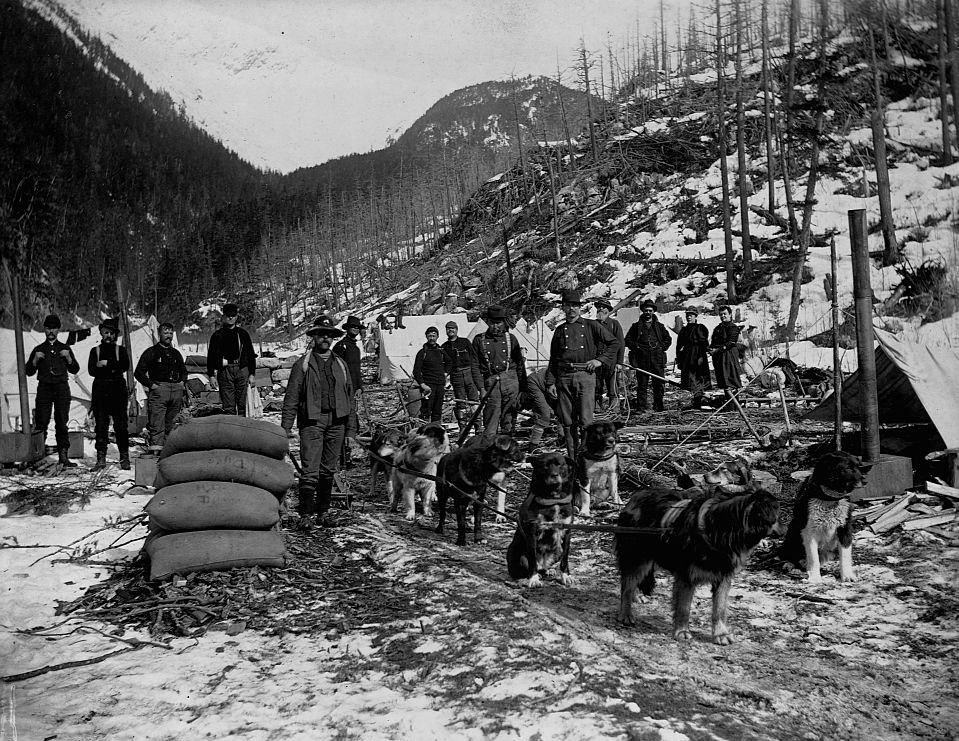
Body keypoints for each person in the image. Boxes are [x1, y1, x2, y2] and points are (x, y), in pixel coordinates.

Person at [281, 315, 355, 525]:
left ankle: (323, 512)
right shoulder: (302, 365)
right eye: (321, 334)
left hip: (337, 422)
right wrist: (285, 429)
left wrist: (350, 430)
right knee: (310, 470)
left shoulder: (340, 364)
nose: (325, 338)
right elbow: (291, 398)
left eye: (329, 335)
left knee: (329, 469)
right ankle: (306, 514)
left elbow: (350, 398)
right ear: (313, 337)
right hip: (312, 422)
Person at [545, 291, 621, 459]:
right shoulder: (559, 331)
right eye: (568, 306)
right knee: (568, 422)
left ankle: (588, 458)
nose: (572, 309)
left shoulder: (590, 326)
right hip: (564, 378)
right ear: (563, 307)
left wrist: (599, 360)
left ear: (580, 308)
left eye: (575, 306)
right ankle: (573, 460)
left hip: (585, 376)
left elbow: (614, 343)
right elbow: (554, 358)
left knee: (586, 422)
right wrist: (550, 382)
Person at [25, 314, 80, 467]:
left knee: (62, 422)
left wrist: (68, 358)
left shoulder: (65, 348)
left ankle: (63, 456)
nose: (51, 331)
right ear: (44, 329)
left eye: (54, 328)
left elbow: (75, 369)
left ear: (58, 330)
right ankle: (37, 456)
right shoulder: (39, 349)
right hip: (44, 388)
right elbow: (28, 371)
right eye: (48, 328)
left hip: (62, 388)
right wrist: (35, 360)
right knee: (41, 422)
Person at [470, 305, 526, 435]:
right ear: (488, 322)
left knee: (509, 419)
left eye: (499, 323)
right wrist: (481, 388)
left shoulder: (511, 339)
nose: (496, 326)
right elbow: (475, 366)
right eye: (493, 323)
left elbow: (519, 365)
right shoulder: (479, 340)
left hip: (511, 381)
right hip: (491, 383)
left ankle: (507, 448)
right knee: (491, 419)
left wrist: (523, 388)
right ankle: (489, 448)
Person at [134, 322, 187, 449]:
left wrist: (181, 383)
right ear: (159, 334)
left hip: (176, 391)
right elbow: (138, 372)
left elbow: (184, 371)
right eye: (165, 333)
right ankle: (156, 455)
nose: (168, 336)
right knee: (157, 425)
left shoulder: (176, 353)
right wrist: (152, 385)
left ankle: (169, 452)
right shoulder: (151, 352)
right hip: (159, 391)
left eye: (170, 333)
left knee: (172, 424)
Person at [88, 318, 130, 470]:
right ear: (101, 333)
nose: (109, 336)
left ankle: (124, 457)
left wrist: (106, 364)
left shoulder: (121, 350)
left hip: (118, 391)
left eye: (112, 333)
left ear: (115, 335)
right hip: (101, 391)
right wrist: (112, 367)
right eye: (106, 332)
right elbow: (92, 370)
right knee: (101, 426)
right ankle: (101, 459)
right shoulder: (95, 351)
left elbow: (125, 365)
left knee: (121, 426)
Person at [206, 303, 256, 415]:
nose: (230, 318)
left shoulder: (243, 334)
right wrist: (211, 375)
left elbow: (251, 355)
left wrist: (252, 374)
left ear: (236, 317)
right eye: (228, 315)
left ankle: (243, 431)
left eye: (233, 315)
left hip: (242, 369)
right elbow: (211, 357)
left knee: (244, 405)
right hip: (224, 371)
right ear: (223, 316)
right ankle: (231, 431)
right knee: (228, 407)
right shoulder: (217, 336)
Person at [624, 299, 672, 413]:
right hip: (642, 359)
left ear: (653, 312)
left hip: (657, 359)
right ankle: (641, 407)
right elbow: (628, 340)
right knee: (642, 384)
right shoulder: (636, 327)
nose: (648, 313)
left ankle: (658, 406)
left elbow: (668, 339)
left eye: (650, 310)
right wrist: (637, 348)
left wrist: (662, 348)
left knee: (659, 383)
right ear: (643, 312)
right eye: (646, 310)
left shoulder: (660, 327)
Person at [334, 315, 364, 468]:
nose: (355, 329)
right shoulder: (341, 346)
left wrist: (359, 387)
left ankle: (347, 457)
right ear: (347, 329)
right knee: (342, 422)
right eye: (353, 327)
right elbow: (336, 370)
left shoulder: (356, 348)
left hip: (353, 390)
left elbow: (356, 371)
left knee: (352, 423)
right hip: (342, 390)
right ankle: (341, 458)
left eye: (358, 327)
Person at [442, 320, 482, 432]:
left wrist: (476, 372)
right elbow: (444, 364)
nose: (451, 330)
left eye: (453, 328)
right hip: (456, 375)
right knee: (460, 402)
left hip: (469, 373)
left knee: (474, 400)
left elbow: (474, 357)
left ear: (456, 330)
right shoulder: (444, 347)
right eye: (448, 328)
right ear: (446, 331)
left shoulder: (465, 342)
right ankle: (463, 427)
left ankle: (478, 426)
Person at [413, 326, 452, 423]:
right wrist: (422, 384)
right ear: (426, 337)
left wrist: (446, 373)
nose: (432, 338)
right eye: (429, 336)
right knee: (426, 409)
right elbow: (416, 370)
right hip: (428, 385)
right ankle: (424, 431)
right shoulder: (422, 352)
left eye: (434, 336)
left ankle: (435, 431)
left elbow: (449, 362)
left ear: (437, 337)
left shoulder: (441, 351)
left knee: (437, 409)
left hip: (440, 384)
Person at [675, 307, 712, 409]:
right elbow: (679, 346)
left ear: (696, 316)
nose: (689, 317)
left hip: (698, 356)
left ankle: (699, 401)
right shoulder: (683, 330)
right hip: (687, 357)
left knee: (699, 378)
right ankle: (696, 401)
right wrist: (679, 359)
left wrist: (701, 356)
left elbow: (704, 343)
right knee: (690, 380)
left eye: (691, 315)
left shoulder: (700, 328)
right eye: (687, 315)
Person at [593, 299, 624, 414]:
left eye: (604, 307)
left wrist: (619, 362)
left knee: (612, 388)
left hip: (611, 362)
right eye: (599, 307)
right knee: (596, 387)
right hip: (597, 361)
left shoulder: (614, 324)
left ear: (608, 310)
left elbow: (620, 343)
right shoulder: (593, 324)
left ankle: (614, 410)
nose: (601, 309)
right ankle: (597, 410)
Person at [520, 367, 562, 451]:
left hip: (548, 386)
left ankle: (562, 439)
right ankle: (533, 445)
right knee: (544, 415)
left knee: (562, 412)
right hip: (536, 383)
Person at [711, 306, 744, 398]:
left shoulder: (733, 328)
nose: (723, 316)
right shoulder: (717, 328)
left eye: (725, 314)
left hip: (729, 355)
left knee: (731, 377)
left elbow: (731, 342)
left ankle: (734, 404)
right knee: (723, 379)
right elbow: (713, 342)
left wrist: (717, 350)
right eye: (721, 314)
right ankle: (728, 401)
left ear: (730, 314)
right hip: (719, 356)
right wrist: (711, 349)